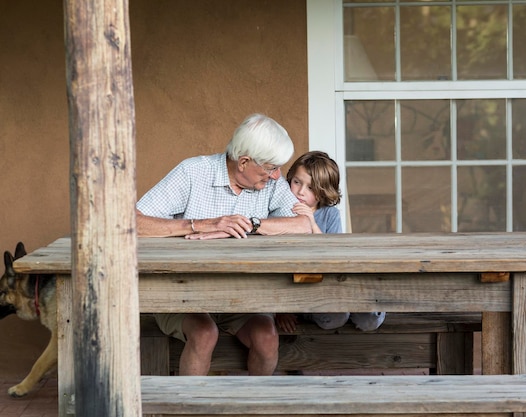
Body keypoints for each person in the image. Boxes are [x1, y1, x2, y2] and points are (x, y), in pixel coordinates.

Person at [136, 113, 312, 376]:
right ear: (243, 162)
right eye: (271, 168)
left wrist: (251, 224)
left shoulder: (269, 185)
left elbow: (304, 224)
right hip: (186, 294)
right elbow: (131, 222)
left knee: (267, 338)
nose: (277, 176)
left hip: (243, 295)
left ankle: (252, 409)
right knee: (204, 333)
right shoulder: (193, 172)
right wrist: (199, 224)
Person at [274, 151, 386, 333]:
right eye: (297, 182)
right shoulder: (280, 214)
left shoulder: (329, 214)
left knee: (370, 319)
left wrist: (310, 221)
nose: (301, 192)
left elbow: (331, 253)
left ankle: (364, 305)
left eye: (311, 188)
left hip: (334, 283)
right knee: (335, 317)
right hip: (302, 288)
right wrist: (280, 310)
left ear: (323, 192)